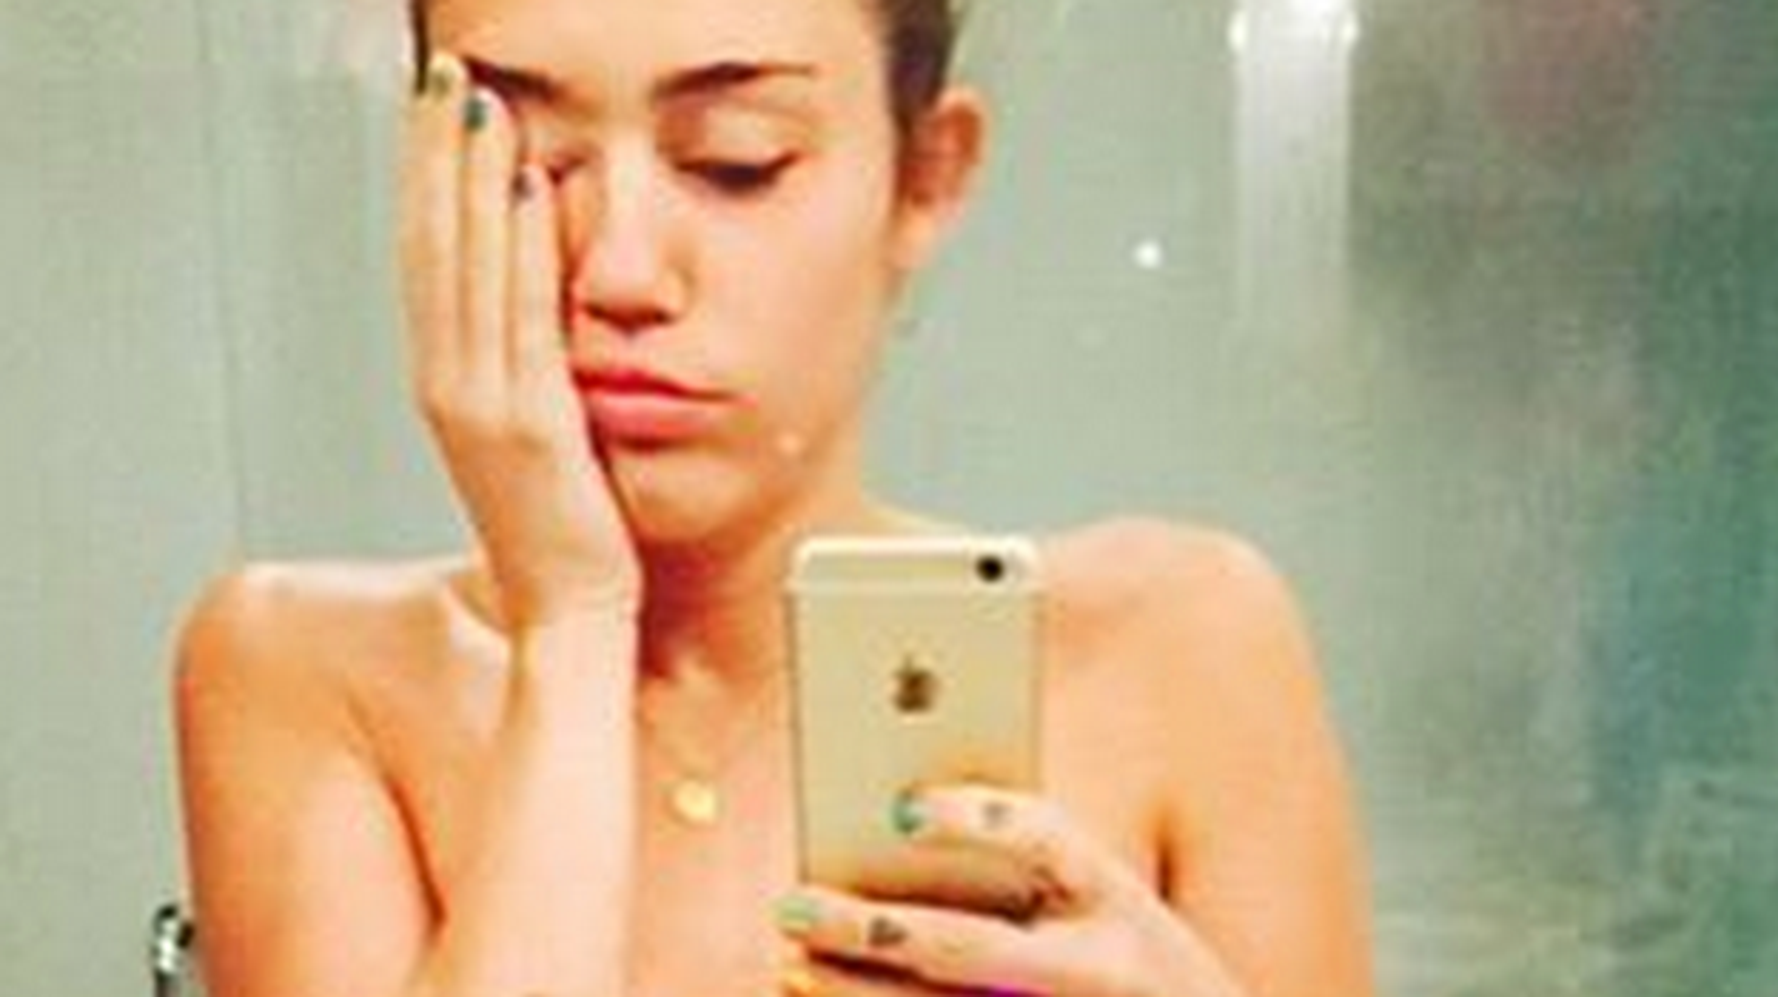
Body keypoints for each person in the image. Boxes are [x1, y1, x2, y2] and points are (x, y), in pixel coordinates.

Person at [173, 0, 1375, 995]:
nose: (619, 270)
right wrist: (574, 623)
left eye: (733, 162)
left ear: (928, 175)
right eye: (526, 167)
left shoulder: (1182, 647)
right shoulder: (307, 670)